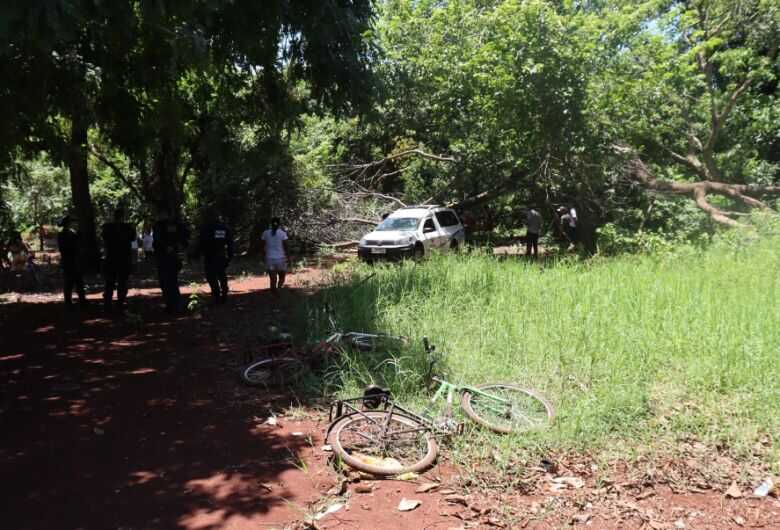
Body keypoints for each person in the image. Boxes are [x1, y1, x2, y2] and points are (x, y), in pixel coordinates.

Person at [153, 205, 189, 313]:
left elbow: (184, 237)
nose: (160, 215)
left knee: (169, 281)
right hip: (166, 257)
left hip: (169, 257)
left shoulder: (170, 225)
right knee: (167, 281)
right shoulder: (163, 225)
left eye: (162, 213)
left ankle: (174, 305)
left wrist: (175, 247)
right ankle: (171, 305)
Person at [102, 207, 136, 312]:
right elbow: (133, 238)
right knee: (121, 282)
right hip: (123, 259)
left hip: (111, 259)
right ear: (123, 216)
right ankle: (120, 303)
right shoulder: (127, 227)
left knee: (110, 282)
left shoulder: (107, 227)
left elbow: (104, 238)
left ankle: (108, 303)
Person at [198, 211, 234, 304]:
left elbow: (201, 242)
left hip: (210, 255)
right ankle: (223, 292)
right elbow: (230, 243)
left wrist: (198, 253)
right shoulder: (224, 228)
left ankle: (217, 294)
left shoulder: (206, 228)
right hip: (220, 255)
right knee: (221, 274)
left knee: (212, 276)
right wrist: (230, 256)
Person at [57, 216, 86, 306]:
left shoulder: (64, 234)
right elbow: (75, 246)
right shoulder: (69, 234)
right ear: (68, 223)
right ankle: (79, 301)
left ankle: (70, 301)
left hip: (68, 260)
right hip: (71, 260)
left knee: (71, 282)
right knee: (76, 281)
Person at [261, 217, 289, 295]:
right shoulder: (282, 233)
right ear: (279, 224)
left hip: (269, 258)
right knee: (282, 276)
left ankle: (274, 293)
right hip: (281, 259)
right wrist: (289, 257)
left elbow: (262, 246)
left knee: (272, 278)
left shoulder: (265, 233)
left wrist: (263, 256)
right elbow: (286, 246)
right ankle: (279, 289)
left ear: (271, 223)